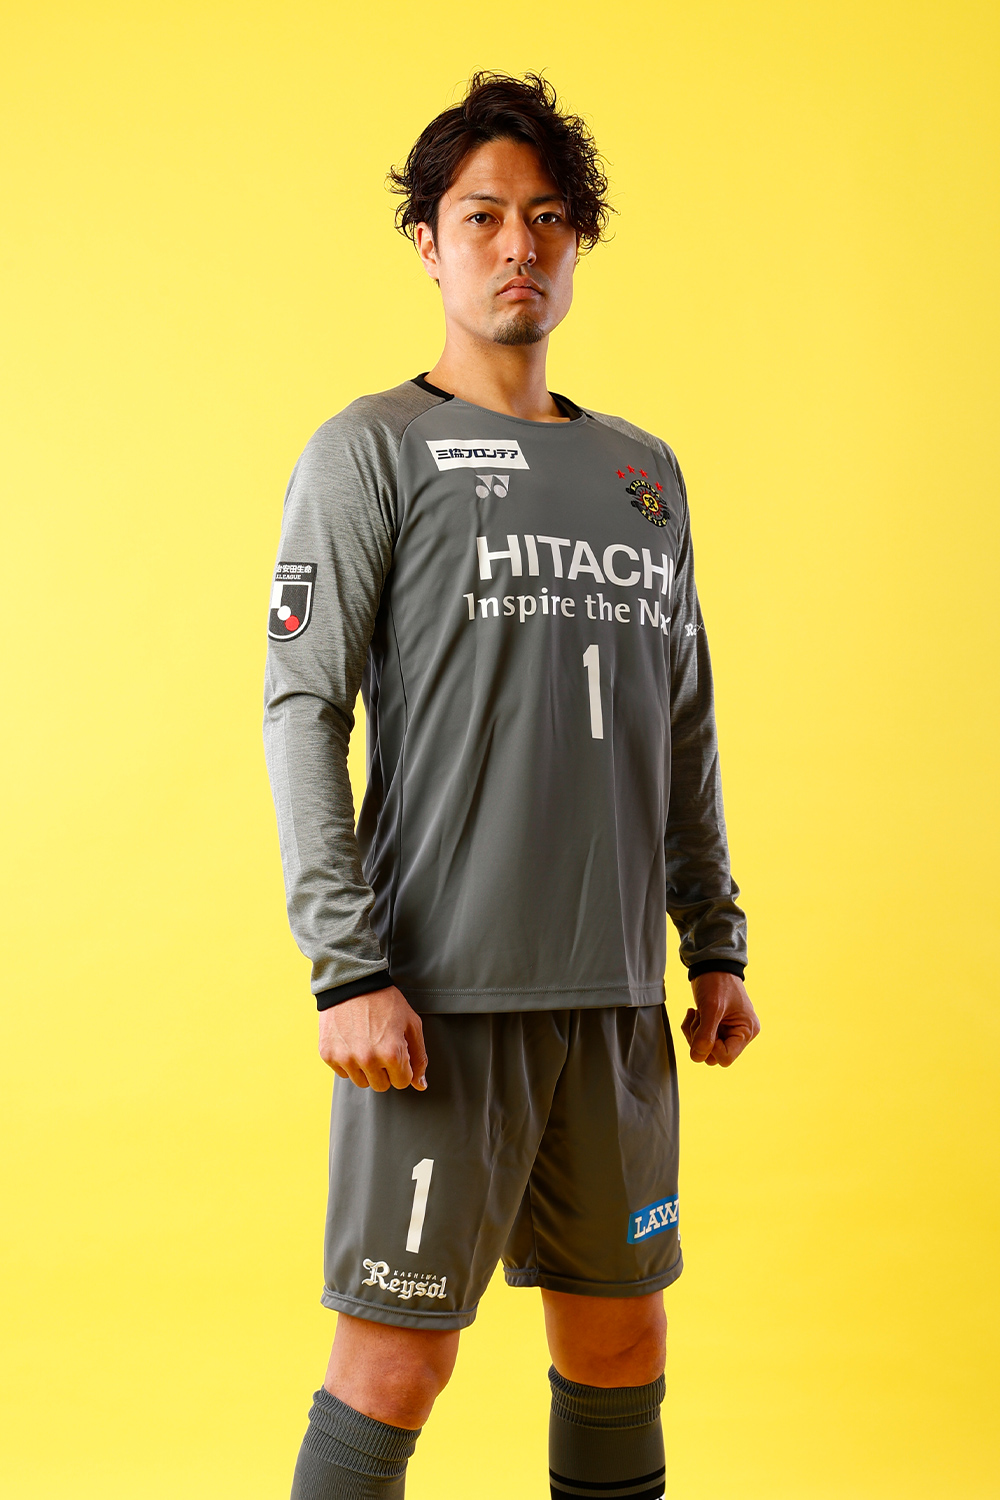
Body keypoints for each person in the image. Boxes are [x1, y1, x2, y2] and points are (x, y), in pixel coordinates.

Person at [263, 70, 759, 1500]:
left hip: (614, 1002)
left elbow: (682, 722)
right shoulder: (370, 451)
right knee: (394, 1365)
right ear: (429, 242)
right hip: (438, 1006)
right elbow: (302, 710)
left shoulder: (643, 474)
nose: (517, 245)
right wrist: (346, 967)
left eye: (546, 218)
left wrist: (714, 941)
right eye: (482, 216)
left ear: (577, 242)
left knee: (620, 1345)